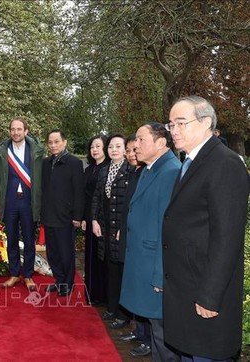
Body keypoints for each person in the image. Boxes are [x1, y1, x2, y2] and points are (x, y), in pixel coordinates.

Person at [162, 96, 249, 361]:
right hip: (186, 286)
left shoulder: (225, 163)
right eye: (170, 124)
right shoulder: (191, 161)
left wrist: (210, 296)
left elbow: (228, 237)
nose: (174, 130)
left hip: (206, 292)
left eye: (181, 123)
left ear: (206, 123)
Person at [119, 123, 181, 361]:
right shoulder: (149, 169)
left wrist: (160, 275)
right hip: (143, 262)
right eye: (136, 140)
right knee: (157, 335)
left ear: (161, 143)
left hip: (155, 267)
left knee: (164, 337)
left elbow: (168, 231)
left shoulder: (170, 172)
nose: (136, 145)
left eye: (141, 139)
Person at [0, 118, 44, 291]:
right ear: (9, 131)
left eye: (19, 129)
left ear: (26, 131)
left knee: (29, 240)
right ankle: (14, 274)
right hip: (11, 201)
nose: (16, 132)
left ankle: (28, 275)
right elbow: (0, 177)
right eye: (13, 129)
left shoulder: (36, 150)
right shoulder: (2, 150)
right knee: (11, 239)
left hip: (29, 201)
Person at [91, 134, 133, 329]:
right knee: (110, 266)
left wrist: (124, 228)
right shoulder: (104, 171)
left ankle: (122, 314)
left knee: (122, 270)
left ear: (125, 149)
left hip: (120, 228)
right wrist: (94, 220)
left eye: (118, 146)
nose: (114, 149)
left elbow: (131, 204)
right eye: (111, 147)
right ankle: (111, 307)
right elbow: (97, 198)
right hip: (105, 226)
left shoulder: (131, 171)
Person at [115, 134, 152, 358]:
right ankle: (138, 331)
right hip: (130, 234)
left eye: (132, 149)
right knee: (134, 283)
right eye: (129, 150)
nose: (131, 154)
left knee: (143, 287)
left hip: (143, 240)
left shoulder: (147, 173)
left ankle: (147, 338)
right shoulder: (137, 172)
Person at [41, 130, 84, 296]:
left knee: (66, 252)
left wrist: (77, 216)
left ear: (64, 142)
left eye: (56, 141)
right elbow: (44, 190)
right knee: (52, 253)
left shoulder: (74, 163)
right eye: (50, 142)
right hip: (49, 215)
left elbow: (78, 192)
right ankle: (58, 281)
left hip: (66, 217)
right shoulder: (46, 163)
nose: (53, 145)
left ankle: (68, 283)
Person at [81, 134, 109, 305]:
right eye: (92, 147)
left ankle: (103, 295)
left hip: (104, 220)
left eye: (98, 146)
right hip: (90, 218)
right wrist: (85, 218)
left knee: (102, 259)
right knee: (90, 257)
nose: (95, 150)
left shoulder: (108, 168)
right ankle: (92, 293)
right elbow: (86, 196)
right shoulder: (89, 169)